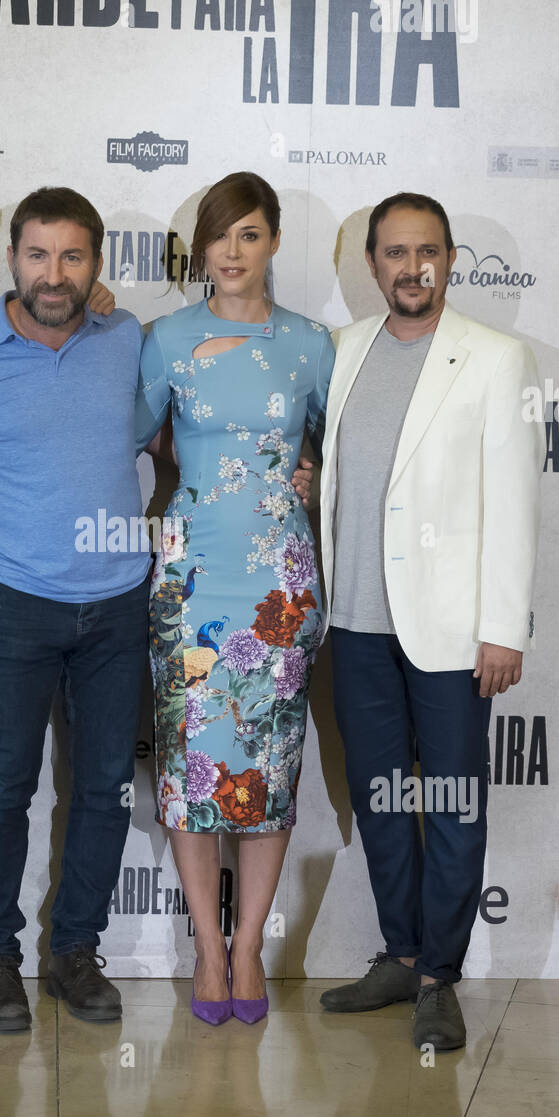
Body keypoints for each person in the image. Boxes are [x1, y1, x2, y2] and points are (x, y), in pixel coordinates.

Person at [316, 192, 543, 1050]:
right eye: (395, 253)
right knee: (380, 799)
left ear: (450, 261)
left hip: (453, 631)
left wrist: (503, 628)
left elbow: (516, 503)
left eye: (429, 252)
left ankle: (441, 976)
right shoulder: (342, 353)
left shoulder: (495, 358)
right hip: (358, 622)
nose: (412, 268)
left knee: (451, 805)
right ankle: (401, 954)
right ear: (371, 264)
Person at [0, 187, 151, 1033]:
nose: (53, 275)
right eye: (36, 255)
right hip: (14, 604)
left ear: (97, 265)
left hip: (118, 602)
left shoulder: (127, 339)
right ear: (10, 259)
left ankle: (75, 952)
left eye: (72, 257)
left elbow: (170, 429)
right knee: (1, 790)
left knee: (101, 788)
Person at [135, 172, 334, 1024]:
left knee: (269, 770)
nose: (230, 251)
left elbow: (345, 451)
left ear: (274, 243)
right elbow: (135, 434)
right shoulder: (165, 338)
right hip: (191, 576)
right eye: (218, 235)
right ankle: (205, 950)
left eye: (248, 234)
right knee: (190, 771)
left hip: (279, 582)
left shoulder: (312, 344)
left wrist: (315, 476)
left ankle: (248, 941)